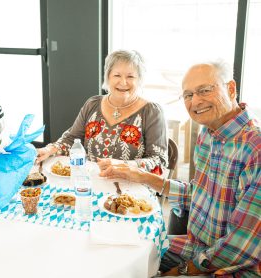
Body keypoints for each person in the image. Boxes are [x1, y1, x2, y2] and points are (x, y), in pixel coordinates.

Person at [100, 61, 260, 277]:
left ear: (231, 89)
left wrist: (182, 271)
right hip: (196, 248)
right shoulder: (208, 134)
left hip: (233, 268)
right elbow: (198, 194)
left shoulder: (255, 149)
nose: (195, 101)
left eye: (204, 90)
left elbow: (240, 246)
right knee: (118, 248)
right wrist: (138, 176)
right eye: (188, 95)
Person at [36, 50, 167, 174]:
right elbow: (71, 139)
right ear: (108, 77)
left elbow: (159, 161)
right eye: (117, 75)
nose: (123, 82)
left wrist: (123, 166)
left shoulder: (151, 112)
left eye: (130, 76)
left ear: (139, 80)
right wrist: (49, 150)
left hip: (131, 188)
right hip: (89, 180)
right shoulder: (93, 104)